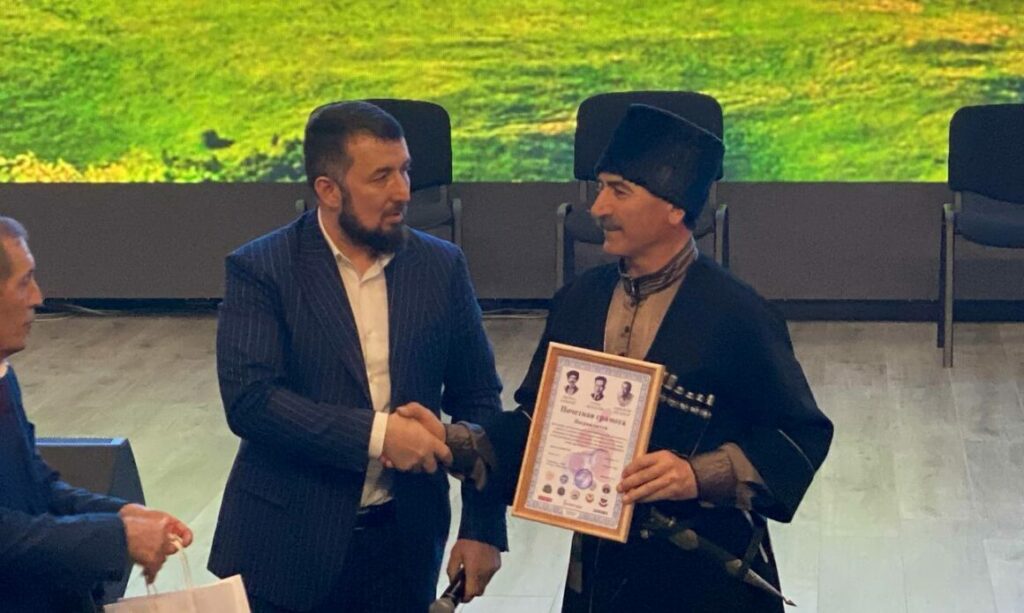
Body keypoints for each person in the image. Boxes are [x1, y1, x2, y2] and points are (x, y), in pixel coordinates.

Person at [426, 105, 833, 612]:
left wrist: (697, 474)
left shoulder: (738, 314)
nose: (598, 207)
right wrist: (453, 441)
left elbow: (800, 436)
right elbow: (538, 427)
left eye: (619, 191)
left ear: (675, 208)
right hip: (600, 578)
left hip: (708, 583)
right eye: (600, 189)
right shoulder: (579, 301)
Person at [208, 101, 506, 612]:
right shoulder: (262, 269)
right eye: (381, 177)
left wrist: (482, 527)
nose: (403, 192)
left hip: (404, 548)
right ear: (329, 190)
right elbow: (252, 403)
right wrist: (380, 435)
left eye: (405, 170)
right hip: (286, 550)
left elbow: (478, 399)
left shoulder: (441, 267)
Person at [0, 217, 193, 612]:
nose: (38, 297)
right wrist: (118, 536)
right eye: (24, 282)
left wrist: (123, 513)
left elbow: (37, 489)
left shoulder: (4, 376)